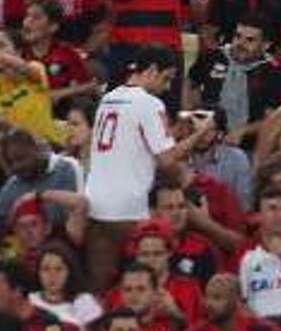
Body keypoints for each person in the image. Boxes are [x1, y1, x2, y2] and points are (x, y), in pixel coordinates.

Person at [82, 51, 215, 292]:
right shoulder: (150, 103)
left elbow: (135, 143)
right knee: (147, 279)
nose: (167, 87)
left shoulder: (110, 97)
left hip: (95, 205)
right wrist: (200, 134)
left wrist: (176, 131)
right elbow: (166, 160)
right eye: (166, 79)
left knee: (102, 286)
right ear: (151, 70)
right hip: (129, 207)